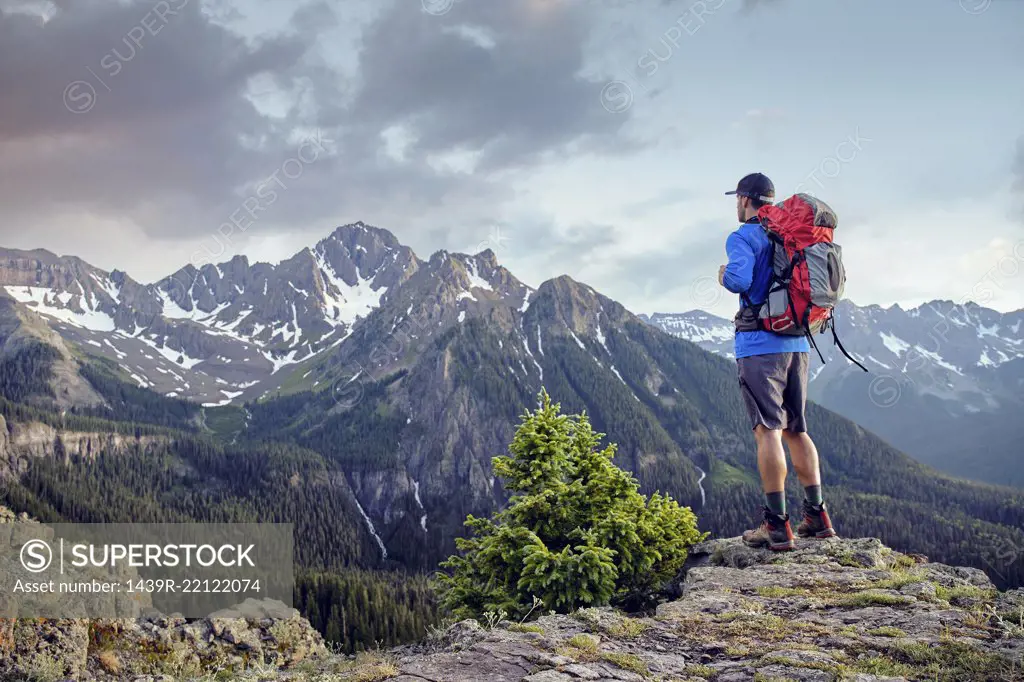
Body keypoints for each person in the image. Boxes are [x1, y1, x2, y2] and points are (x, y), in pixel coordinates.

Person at [719, 172, 837, 551]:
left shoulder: (743, 236)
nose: (735, 205)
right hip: (798, 342)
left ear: (745, 199)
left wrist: (722, 275)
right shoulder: (789, 234)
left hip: (759, 346)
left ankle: (776, 525)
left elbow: (739, 280)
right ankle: (817, 517)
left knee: (767, 431)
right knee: (796, 429)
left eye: (736, 198)